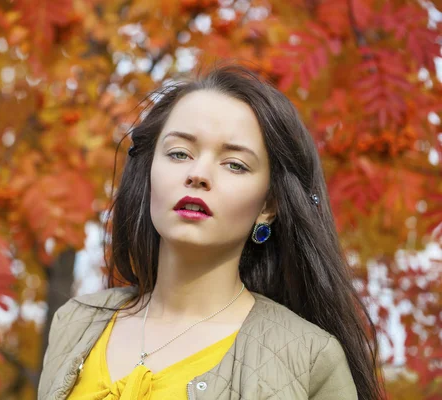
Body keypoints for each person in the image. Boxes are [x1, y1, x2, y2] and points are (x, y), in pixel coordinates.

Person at [37, 64, 386, 399]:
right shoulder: (76, 322)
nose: (198, 173)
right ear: (148, 174)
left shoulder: (308, 358)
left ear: (269, 205)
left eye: (235, 164)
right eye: (178, 154)